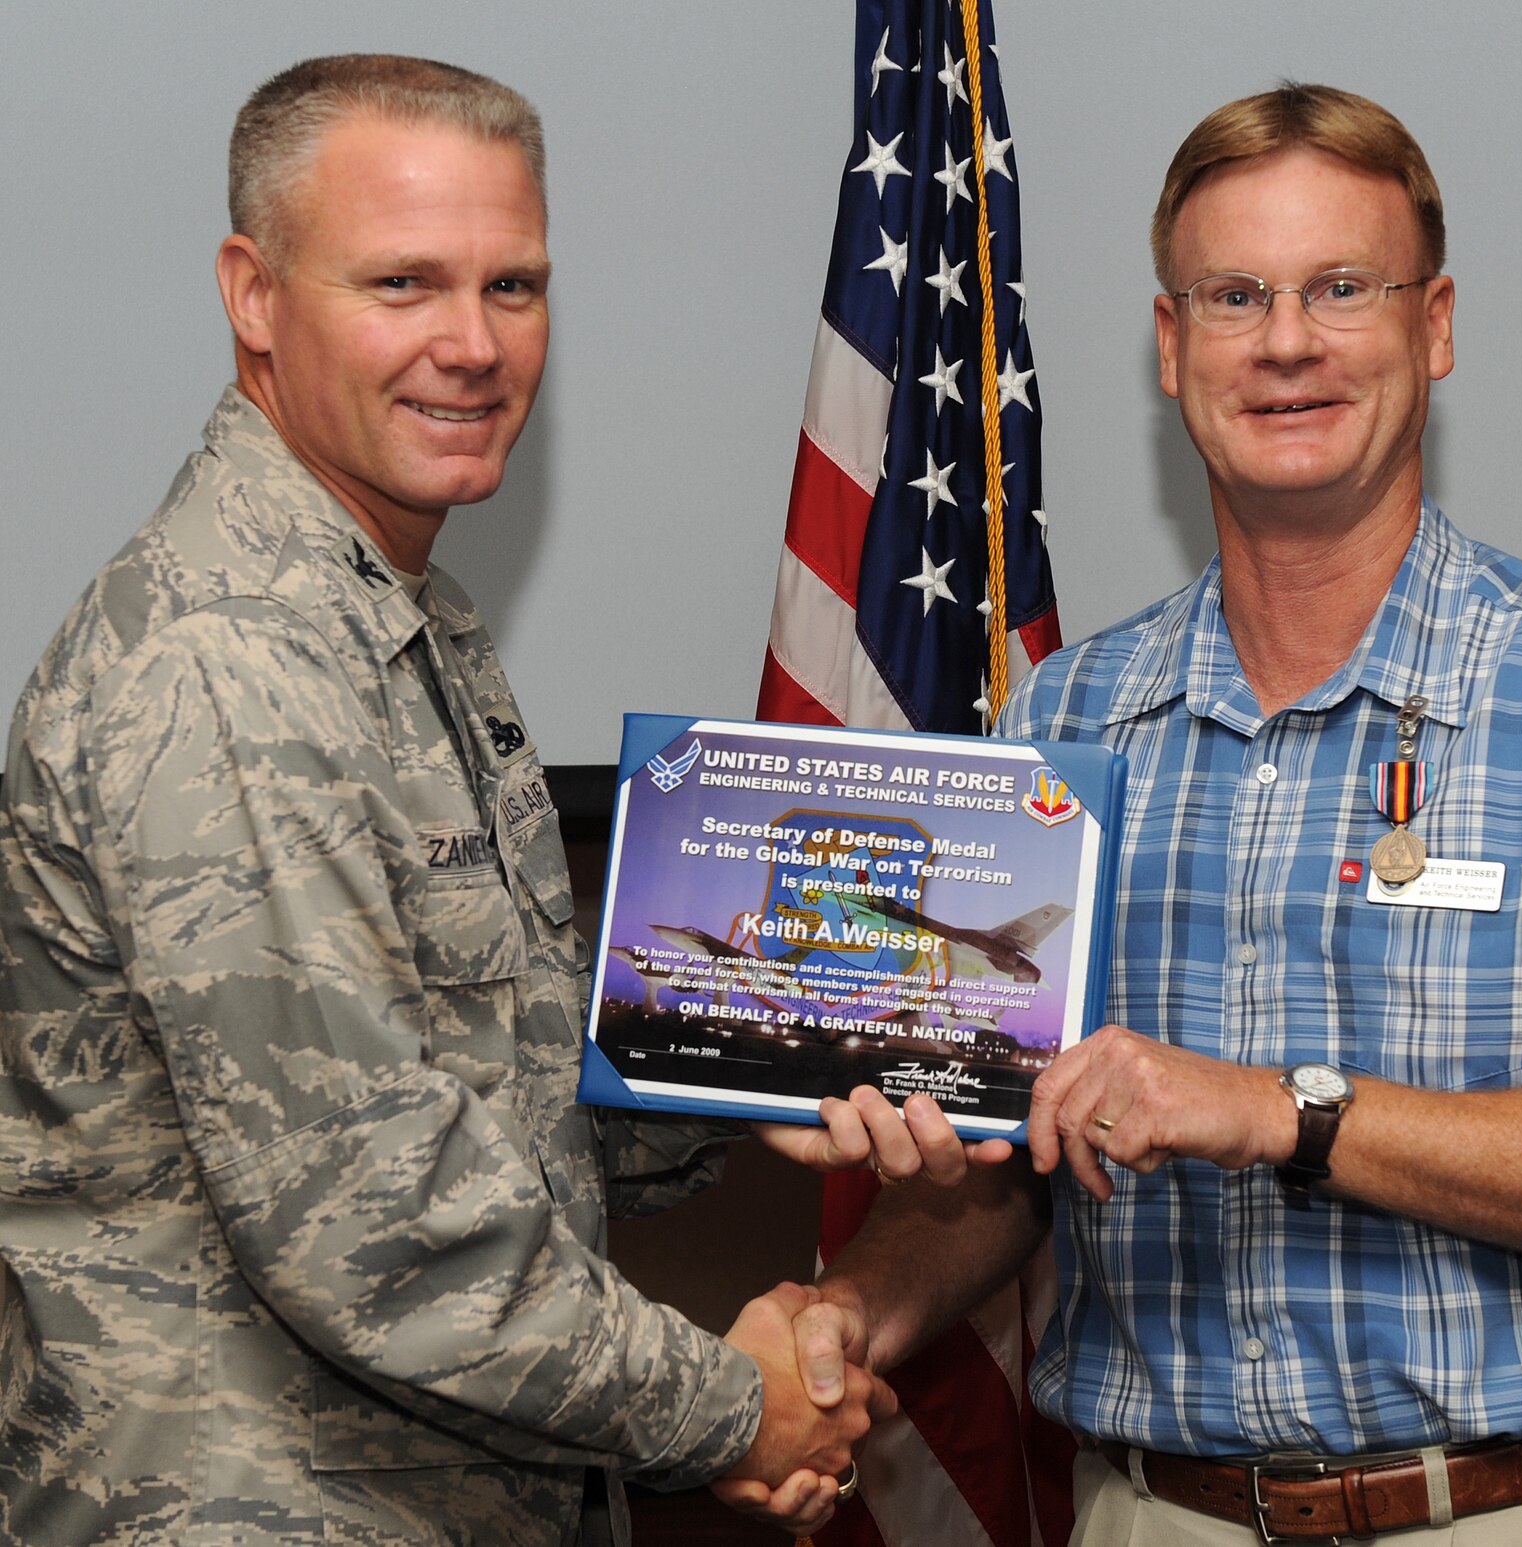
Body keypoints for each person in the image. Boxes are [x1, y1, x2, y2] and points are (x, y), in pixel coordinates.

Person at [0, 52, 984, 1547]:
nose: (471, 344)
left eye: (512, 286)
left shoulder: (407, 622)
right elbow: (380, 1225)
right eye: (402, 283)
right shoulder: (231, 660)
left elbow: (484, 1079)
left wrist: (766, 1054)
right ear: (253, 295)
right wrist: (739, 1406)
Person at [764, 82, 1522, 1545]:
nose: (1287, 341)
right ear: (1173, 348)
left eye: (1342, 289)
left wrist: (1278, 1111)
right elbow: (1020, 1173)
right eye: (1235, 296)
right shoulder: (1069, 721)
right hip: (1155, 1515)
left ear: (1434, 326)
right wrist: (845, 1316)